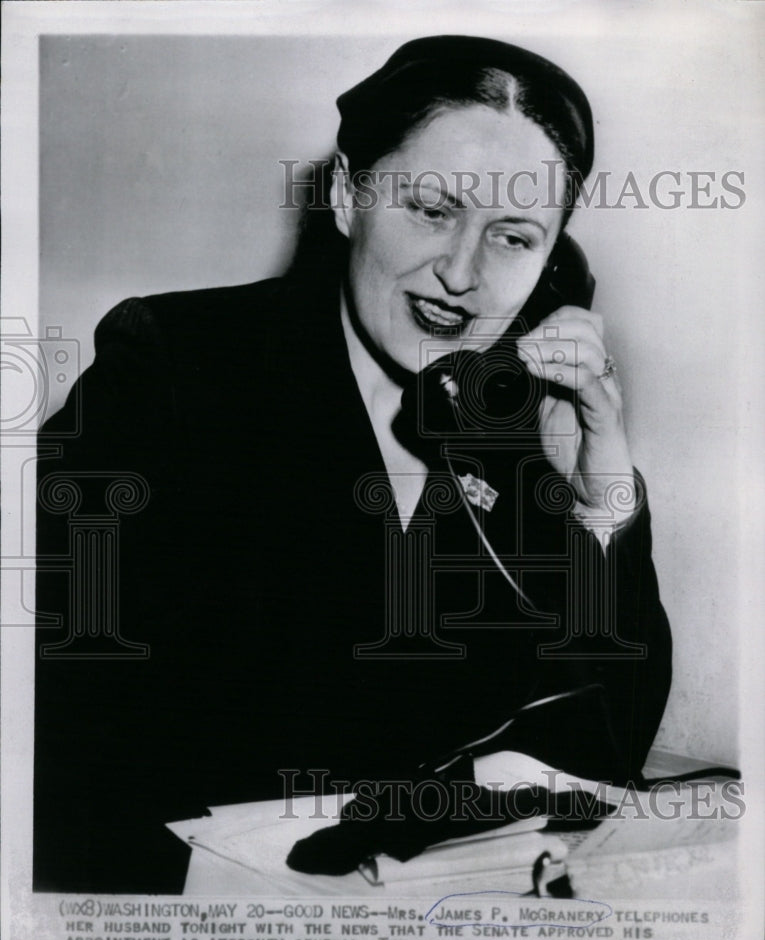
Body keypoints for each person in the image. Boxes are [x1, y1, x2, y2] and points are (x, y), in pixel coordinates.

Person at [34, 35, 672, 893]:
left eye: (512, 237)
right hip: (199, 899)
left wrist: (595, 486)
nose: (459, 273)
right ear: (346, 193)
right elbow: (68, 718)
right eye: (431, 209)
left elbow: (608, 747)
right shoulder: (176, 365)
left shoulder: (519, 422)